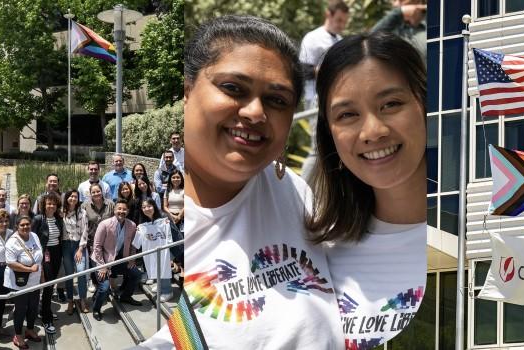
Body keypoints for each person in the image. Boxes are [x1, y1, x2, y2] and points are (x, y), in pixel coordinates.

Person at [138, 15, 345, 349]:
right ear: (188, 90)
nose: (254, 112)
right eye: (233, 88)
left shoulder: (294, 191)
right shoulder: (183, 227)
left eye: (277, 100)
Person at [307, 31, 427, 347]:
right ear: (329, 134)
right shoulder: (314, 259)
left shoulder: (476, 239)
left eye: (390, 104)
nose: (372, 131)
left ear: (425, 105)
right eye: (347, 115)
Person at [299, 0, 350, 182]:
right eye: (339, 20)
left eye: (344, 22)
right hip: (316, 100)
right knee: (317, 149)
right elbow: (301, 71)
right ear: (329, 15)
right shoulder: (312, 38)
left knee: (335, 147)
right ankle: (300, 189)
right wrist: (327, 69)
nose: (341, 25)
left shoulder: (340, 41)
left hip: (336, 99)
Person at [91, 199, 142, 321]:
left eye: (124, 209)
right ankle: (96, 309)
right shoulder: (104, 224)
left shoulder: (132, 225)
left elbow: (133, 245)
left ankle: (125, 297)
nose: (122, 211)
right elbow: (97, 247)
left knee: (136, 274)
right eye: (119, 209)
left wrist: (132, 259)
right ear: (114, 210)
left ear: (128, 211)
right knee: (104, 287)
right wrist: (102, 266)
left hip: (120, 259)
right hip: (102, 260)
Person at [4, 215, 43, 349]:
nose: (25, 227)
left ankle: (30, 329)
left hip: (35, 280)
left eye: (28, 224)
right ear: (17, 227)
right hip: (19, 282)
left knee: (33, 307)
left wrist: (40, 274)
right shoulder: (12, 242)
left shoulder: (34, 236)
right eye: (22, 225)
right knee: (20, 309)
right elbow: (10, 263)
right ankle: (18, 335)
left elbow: (39, 258)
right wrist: (29, 269)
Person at [31, 192, 64, 334]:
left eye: (54, 204)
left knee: (51, 284)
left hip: (56, 253)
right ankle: (46, 318)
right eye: (48, 204)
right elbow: (31, 238)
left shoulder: (58, 219)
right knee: (48, 285)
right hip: (45, 253)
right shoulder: (38, 219)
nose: (51, 206)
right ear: (43, 205)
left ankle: (45, 310)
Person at [133, 199, 176, 302]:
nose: (147, 209)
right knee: (154, 267)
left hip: (165, 250)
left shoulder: (164, 220)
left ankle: (168, 291)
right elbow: (136, 244)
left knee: (163, 267)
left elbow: (171, 238)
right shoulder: (142, 225)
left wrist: (172, 255)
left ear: (154, 206)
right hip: (151, 252)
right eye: (144, 207)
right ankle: (160, 285)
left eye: (149, 206)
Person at [81, 184, 115, 294]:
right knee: (94, 263)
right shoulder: (85, 206)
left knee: (108, 261)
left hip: (108, 240)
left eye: (98, 191)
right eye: (93, 192)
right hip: (92, 240)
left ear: (102, 191)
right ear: (90, 194)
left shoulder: (110, 204)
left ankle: (107, 282)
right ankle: (95, 282)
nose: (96, 194)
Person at [61, 189, 90, 314]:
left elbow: (85, 231)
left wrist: (80, 249)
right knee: (69, 274)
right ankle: (70, 300)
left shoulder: (82, 212)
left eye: (75, 197)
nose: (73, 199)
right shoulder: (61, 212)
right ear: (66, 198)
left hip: (78, 246)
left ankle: (82, 299)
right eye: (71, 196)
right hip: (66, 246)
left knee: (81, 271)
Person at [0, 209, 12, 344]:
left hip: (8, 270)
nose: (4, 224)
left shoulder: (12, 234)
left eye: (6, 221)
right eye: (1, 221)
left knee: (2, 302)